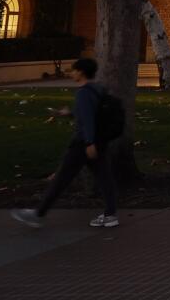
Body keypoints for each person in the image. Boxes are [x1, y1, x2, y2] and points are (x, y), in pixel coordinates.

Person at [10, 58, 119, 229]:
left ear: (81, 72)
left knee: (62, 178)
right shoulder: (99, 89)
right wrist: (69, 113)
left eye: (74, 70)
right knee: (105, 178)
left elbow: (88, 119)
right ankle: (110, 214)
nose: (72, 73)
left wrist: (89, 142)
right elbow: (91, 114)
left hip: (83, 144)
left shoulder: (83, 93)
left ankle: (38, 214)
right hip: (99, 141)